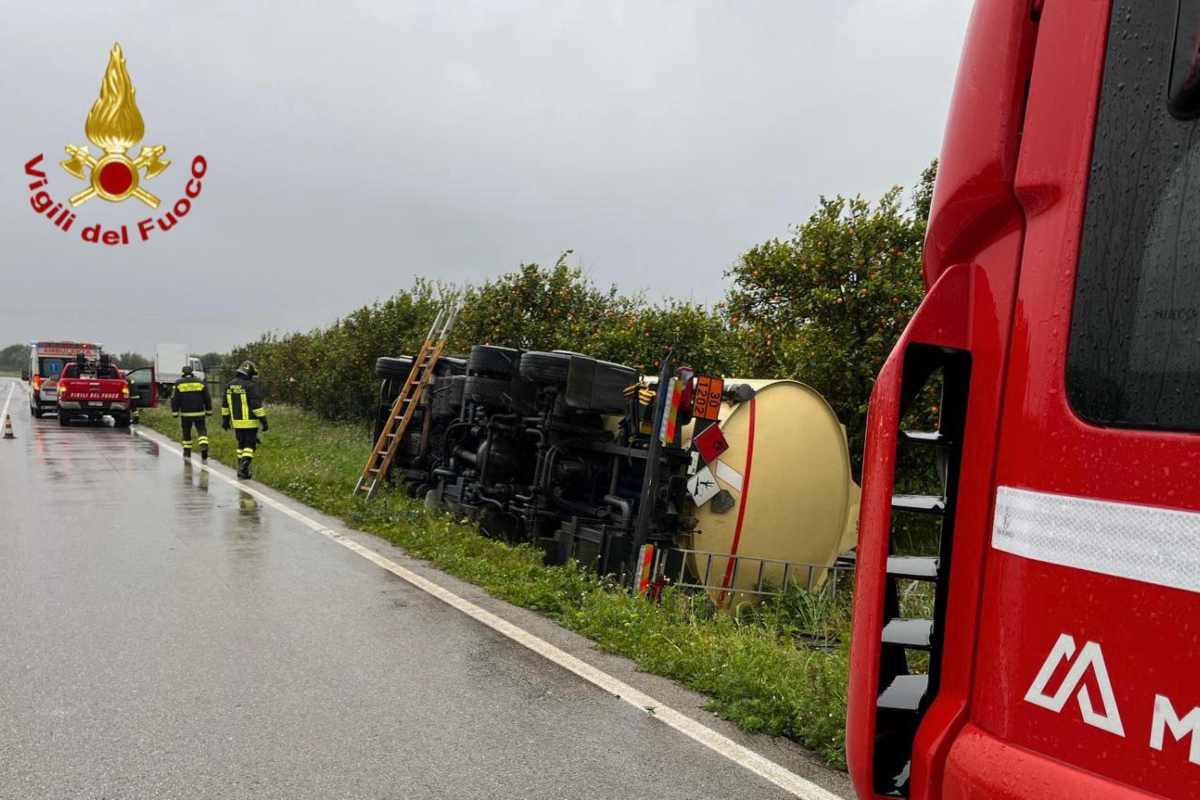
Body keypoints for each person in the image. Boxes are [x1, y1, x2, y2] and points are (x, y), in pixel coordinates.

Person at [221, 360, 268, 479]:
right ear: (249, 373)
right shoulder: (251, 386)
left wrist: (225, 420)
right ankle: (244, 468)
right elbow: (256, 406)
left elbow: (225, 405)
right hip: (250, 422)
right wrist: (264, 421)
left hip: (236, 422)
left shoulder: (229, 385)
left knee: (241, 445)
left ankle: (241, 469)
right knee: (250, 446)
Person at [170, 365, 212, 461]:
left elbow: (174, 399)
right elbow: (207, 397)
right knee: (201, 431)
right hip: (199, 413)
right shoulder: (200, 382)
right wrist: (209, 410)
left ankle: (187, 452)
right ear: (192, 372)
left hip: (186, 414)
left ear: (183, 373)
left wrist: (175, 412)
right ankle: (204, 445)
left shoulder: (178, 383)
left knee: (186, 432)